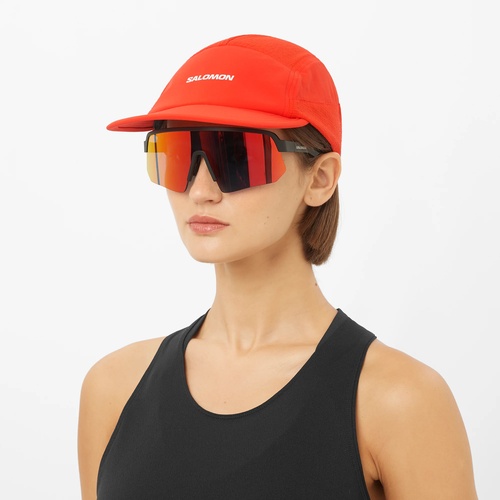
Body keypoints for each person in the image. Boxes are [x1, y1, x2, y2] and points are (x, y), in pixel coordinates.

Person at [78, 34, 477, 499]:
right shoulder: (114, 390)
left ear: (320, 179)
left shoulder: (398, 401)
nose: (200, 191)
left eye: (237, 158)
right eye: (177, 155)